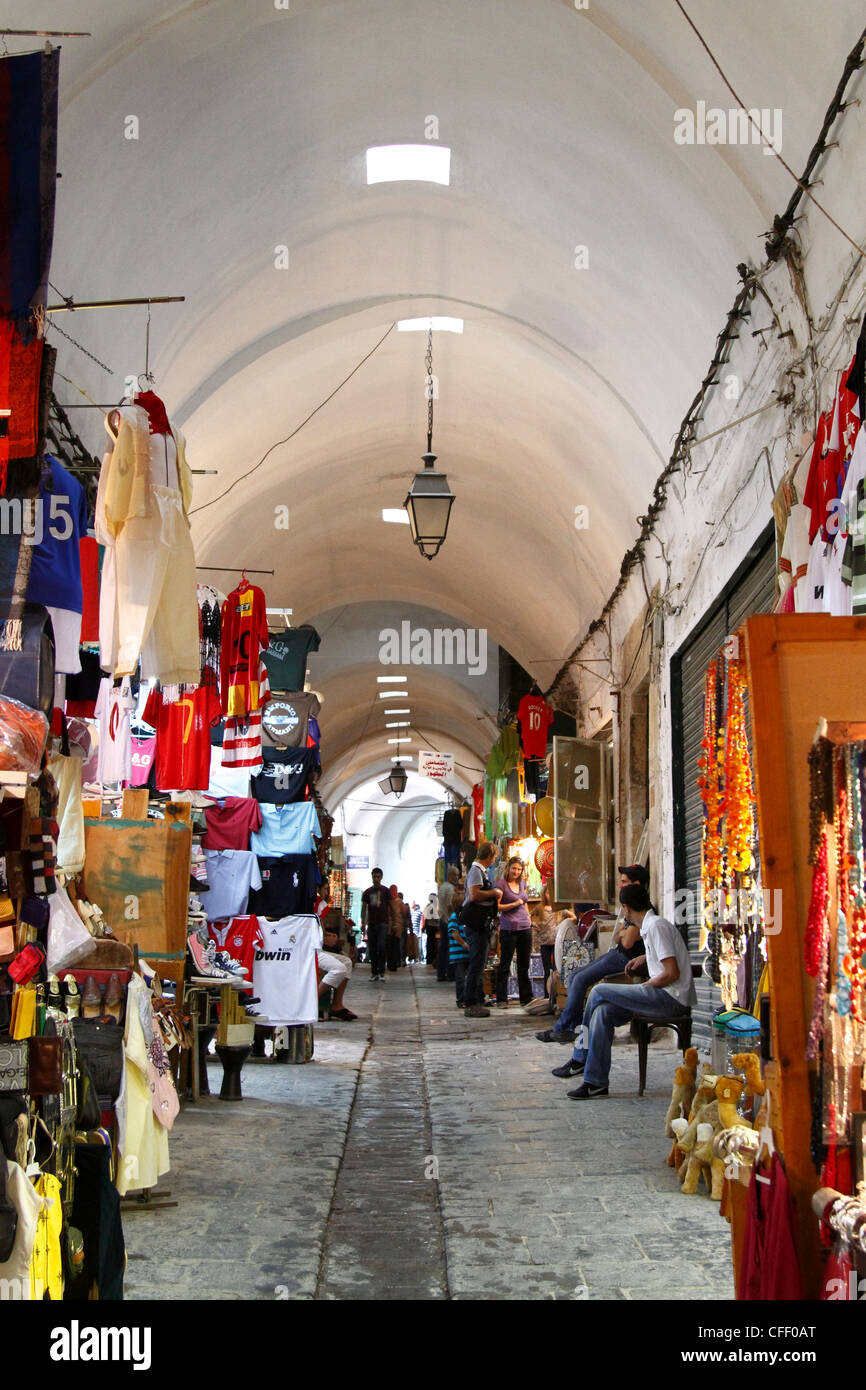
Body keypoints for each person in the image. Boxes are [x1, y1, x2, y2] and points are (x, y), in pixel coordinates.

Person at [553, 882, 697, 1098]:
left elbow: (672, 973)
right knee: (602, 1013)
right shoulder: (650, 926)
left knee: (598, 992)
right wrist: (644, 958)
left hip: (669, 998)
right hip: (660, 995)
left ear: (627, 908)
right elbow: (663, 960)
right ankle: (596, 1082)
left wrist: (647, 985)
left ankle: (580, 1056)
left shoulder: (656, 926)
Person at [535, 863, 652, 1045]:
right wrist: (623, 933)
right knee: (574, 976)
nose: (620, 885)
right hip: (618, 953)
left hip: (626, 959)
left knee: (581, 979)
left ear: (636, 884)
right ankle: (571, 1027)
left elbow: (627, 940)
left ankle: (563, 1028)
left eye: (624, 882)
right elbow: (617, 936)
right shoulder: (630, 909)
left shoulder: (642, 909)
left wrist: (623, 933)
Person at [461, 842, 503, 1019]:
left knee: (480, 963)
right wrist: (494, 893)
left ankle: (477, 998)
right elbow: (474, 894)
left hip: (481, 925)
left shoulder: (480, 871)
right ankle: (470, 1002)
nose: (494, 860)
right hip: (476, 925)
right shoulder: (476, 871)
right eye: (494, 856)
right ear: (489, 856)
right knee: (476, 964)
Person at [494, 856, 533, 1007]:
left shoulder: (522, 884)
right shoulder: (501, 885)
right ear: (508, 868)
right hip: (509, 929)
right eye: (514, 868)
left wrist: (528, 918)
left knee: (524, 965)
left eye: (519, 869)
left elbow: (525, 902)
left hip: (525, 928)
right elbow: (496, 906)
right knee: (505, 964)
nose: (516, 872)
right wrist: (513, 903)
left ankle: (526, 997)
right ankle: (502, 998)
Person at [533, 885, 575, 994]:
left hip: (557, 942)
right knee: (547, 969)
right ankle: (547, 995)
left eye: (552, 894)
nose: (549, 896)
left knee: (558, 968)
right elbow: (528, 916)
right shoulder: (540, 908)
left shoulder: (559, 909)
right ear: (544, 894)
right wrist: (534, 925)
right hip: (545, 942)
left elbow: (573, 917)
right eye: (547, 894)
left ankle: (558, 994)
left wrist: (563, 925)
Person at [318, 908, 357, 1021]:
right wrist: (324, 939)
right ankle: (311, 1002)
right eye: (325, 889)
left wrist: (326, 936)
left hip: (317, 949)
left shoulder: (318, 904)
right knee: (338, 969)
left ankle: (337, 1004)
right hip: (308, 951)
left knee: (346, 962)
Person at [361, 868, 391, 982]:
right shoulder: (367, 892)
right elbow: (364, 908)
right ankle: (374, 972)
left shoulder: (386, 891)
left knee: (381, 946)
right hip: (372, 923)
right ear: (372, 877)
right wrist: (363, 923)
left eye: (378, 877)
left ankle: (382, 971)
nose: (376, 879)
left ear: (381, 877)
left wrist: (392, 922)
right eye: (374, 876)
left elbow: (391, 906)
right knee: (372, 948)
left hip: (383, 923)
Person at [436, 866, 460, 983]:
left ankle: (441, 973)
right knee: (451, 948)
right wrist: (455, 920)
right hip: (448, 921)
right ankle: (450, 973)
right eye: (455, 875)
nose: (457, 877)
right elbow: (450, 906)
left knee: (443, 948)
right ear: (450, 875)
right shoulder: (450, 888)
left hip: (443, 920)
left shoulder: (442, 887)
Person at [447, 904, 470, 1008]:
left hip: (467, 953)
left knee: (469, 977)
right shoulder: (454, 917)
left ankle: (468, 998)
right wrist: (465, 944)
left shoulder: (466, 916)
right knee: (460, 978)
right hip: (458, 953)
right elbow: (454, 934)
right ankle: (461, 1000)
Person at [386, 884, 403, 972]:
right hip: (397, 925)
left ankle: (389, 964)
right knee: (396, 945)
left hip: (389, 926)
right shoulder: (399, 901)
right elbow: (404, 912)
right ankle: (395, 964)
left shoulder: (387, 901)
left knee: (389, 946)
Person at [422, 892, 440, 968]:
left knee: (430, 943)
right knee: (435, 944)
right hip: (436, 927)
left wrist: (424, 927)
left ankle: (430, 959)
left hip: (430, 927)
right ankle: (434, 958)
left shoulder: (429, 906)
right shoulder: (437, 906)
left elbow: (426, 918)